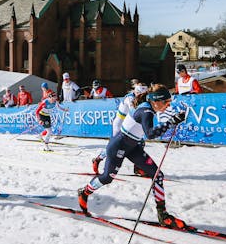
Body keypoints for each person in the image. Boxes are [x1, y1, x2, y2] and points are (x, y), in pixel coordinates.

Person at [77, 85, 186, 228]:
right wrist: (171, 122)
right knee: (107, 178)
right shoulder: (146, 111)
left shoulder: (149, 107)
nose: (168, 105)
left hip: (133, 146)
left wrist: (172, 121)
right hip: (118, 146)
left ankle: (163, 215)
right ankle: (84, 192)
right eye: (166, 102)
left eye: (170, 102)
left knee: (157, 175)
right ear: (156, 101)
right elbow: (150, 134)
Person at [91, 81, 149, 174]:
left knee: (140, 143)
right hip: (119, 125)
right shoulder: (130, 98)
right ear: (137, 92)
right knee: (114, 147)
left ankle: (138, 168)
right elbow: (134, 111)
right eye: (142, 94)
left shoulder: (140, 98)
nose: (144, 97)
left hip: (129, 125)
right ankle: (98, 159)